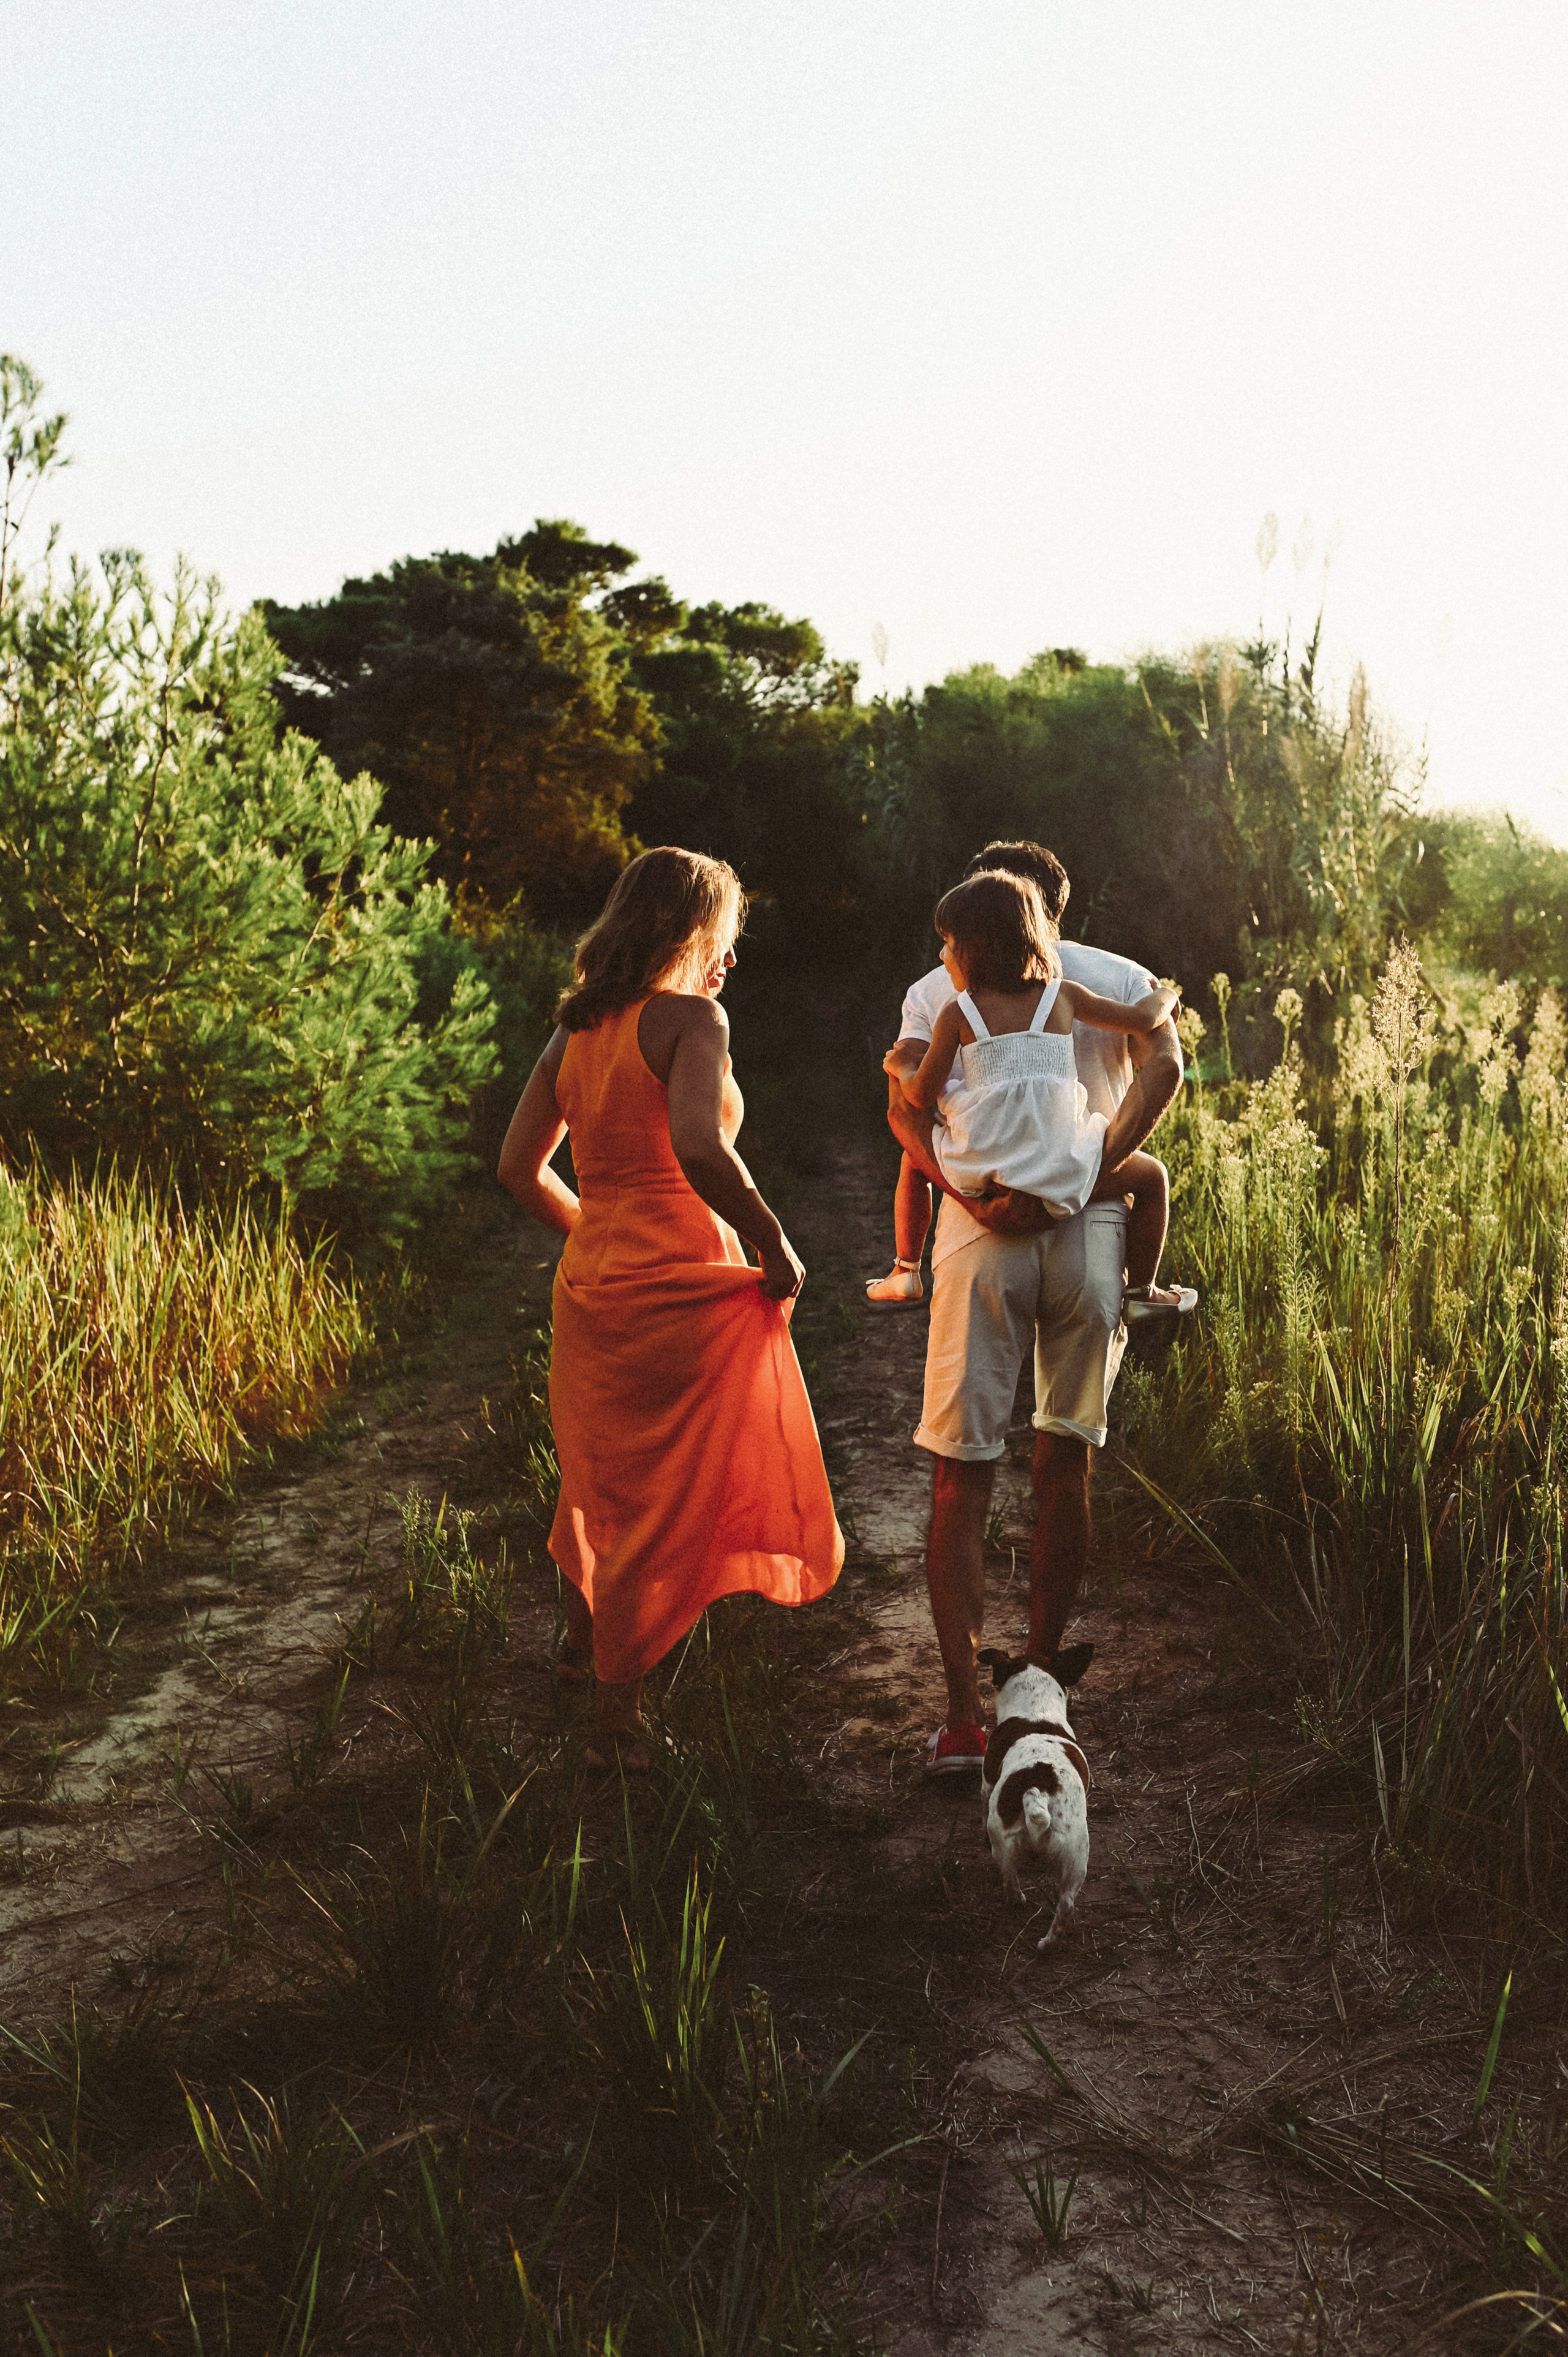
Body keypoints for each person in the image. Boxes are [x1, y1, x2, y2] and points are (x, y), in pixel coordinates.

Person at [497, 846, 844, 1771]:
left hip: (594, 1282)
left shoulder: (574, 1027)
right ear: (692, 932)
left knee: (601, 1474)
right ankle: (617, 1722)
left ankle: (581, 1650)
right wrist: (773, 1240)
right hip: (682, 1277)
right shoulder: (694, 1020)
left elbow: (517, 1167)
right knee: (667, 1492)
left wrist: (593, 1227)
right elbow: (696, 1143)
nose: (729, 958)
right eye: (724, 937)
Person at [880, 840, 1185, 1773]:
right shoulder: (1109, 974)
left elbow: (908, 1113)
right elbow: (1166, 1068)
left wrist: (965, 1194)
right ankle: (1044, 1683)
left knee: (959, 1474)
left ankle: (967, 1721)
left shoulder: (948, 986)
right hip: (1088, 1221)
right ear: (1055, 907)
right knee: (1066, 1460)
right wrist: (1096, 1166)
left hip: (984, 1229)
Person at [888, 869, 1194, 1318]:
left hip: (983, 1169)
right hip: (1059, 1168)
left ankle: (906, 1268)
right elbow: (1144, 1019)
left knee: (913, 1158)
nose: (942, 954)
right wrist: (1165, 993)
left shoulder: (957, 1014)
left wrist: (901, 1066)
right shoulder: (1064, 997)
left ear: (978, 950)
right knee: (1153, 1179)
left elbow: (917, 1098)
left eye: (949, 944)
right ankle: (1142, 1292)